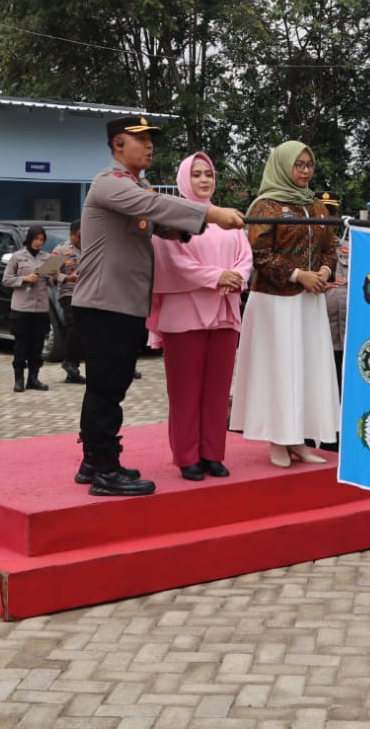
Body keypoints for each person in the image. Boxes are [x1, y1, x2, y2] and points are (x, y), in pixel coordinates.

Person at [71, 117, 241, 497]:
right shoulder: (110, 184)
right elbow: (153, 205)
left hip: (125, 304)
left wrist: (189, 226)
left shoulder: (137, 186)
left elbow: (158, 222)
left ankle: (92, 460)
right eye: (141, 139)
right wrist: (211, 214)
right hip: (104, 304)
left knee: (109, 385)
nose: (149, 146)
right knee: (105, 389)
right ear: (118, 145)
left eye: (151, 140)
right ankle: (104, 470)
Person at [232, 141, 341, 468]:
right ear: (282, 166)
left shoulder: (316, 207)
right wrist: (297, 275)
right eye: (299, 165)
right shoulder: (265, 206)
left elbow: (330, 246)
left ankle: (296, 438)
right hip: (275, 303)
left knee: (305, 369)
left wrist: (322, 271)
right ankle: (277, 439)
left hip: (309, 303)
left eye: (309, 165)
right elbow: (259, 254)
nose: (306, 171)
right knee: (278, 369)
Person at [149, 152, 253, 481]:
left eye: (208, 173)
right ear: (183, 179)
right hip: (185, 315)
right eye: (196, 174)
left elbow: (245, 257)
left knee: (218, 389)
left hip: (224, 312)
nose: (204, 180)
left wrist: (235, 275)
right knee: (185, 390)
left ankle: (213, 453)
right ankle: (186, 456)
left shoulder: (229, 222)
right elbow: (173, 263)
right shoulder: (171, 219)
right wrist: (216, 277)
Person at [3, 224, 57, 393]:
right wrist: (25, 278)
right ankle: (18, 379)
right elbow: (6, 280)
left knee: (37, 345)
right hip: (21, 309)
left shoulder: (47, 258)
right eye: (36, 239)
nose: (38, 242)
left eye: (41, 240)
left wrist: (54, 276)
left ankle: (33, 378)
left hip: (40, 308)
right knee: (21, 345)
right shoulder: (18, 257)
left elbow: (51, 283)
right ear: (29, 239)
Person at [53, 221, 86, 384]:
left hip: (88, 294)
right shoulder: (62, 250)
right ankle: (70, 362)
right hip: (69, 293)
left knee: (84, 331)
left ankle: (72, 369)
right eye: (80, 236)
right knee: (73, 326)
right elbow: (47, 273)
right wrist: (66, 277)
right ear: (72, 234)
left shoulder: (90, 248)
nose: (82, 239)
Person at [321, 192, 350, 375]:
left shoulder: (349, 246)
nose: (328, 218)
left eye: (332, 213)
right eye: (323, 213)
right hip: (320, 331)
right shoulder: (305, 250)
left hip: (347, 333)